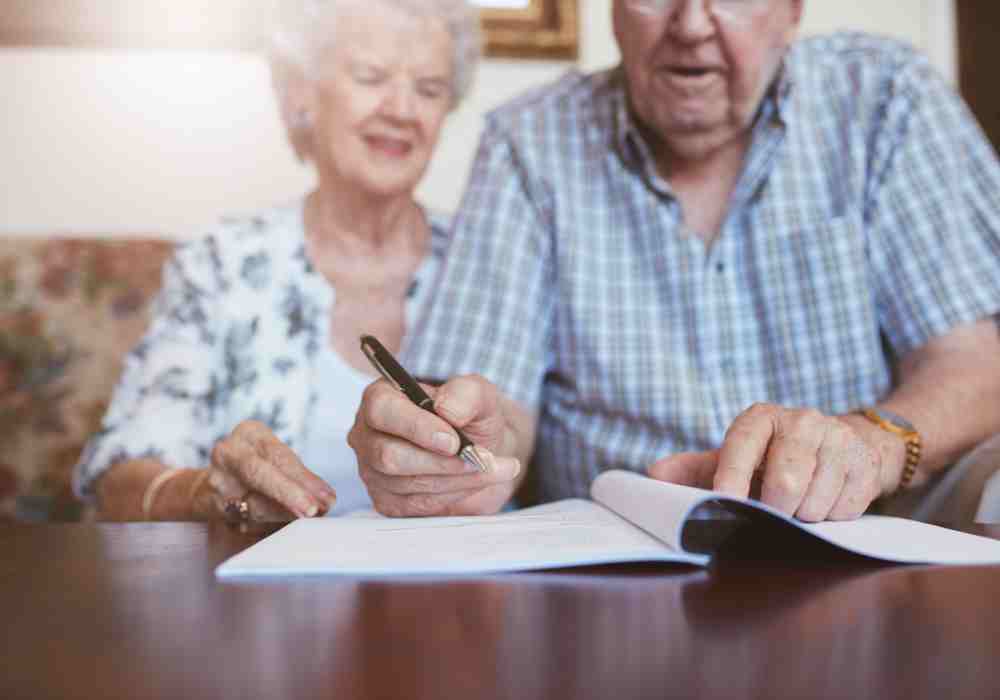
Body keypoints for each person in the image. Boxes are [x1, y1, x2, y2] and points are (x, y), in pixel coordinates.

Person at [348, 0, 1000, 526]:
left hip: (859, 564)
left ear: (794, 9)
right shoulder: (528, 142)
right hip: (611, 593)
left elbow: (974, 362)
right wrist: (455, 450)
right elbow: (497, 417)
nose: (691, 24)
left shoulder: (885, 98)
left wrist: (872, 445)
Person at [73, 0, 481, 521]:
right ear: (302, 93)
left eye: (429, 88)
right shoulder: (223, 261)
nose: (402, 109)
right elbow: (122, 476)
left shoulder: (488, 257)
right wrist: (204, 492)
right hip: (268, 595)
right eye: (371, 76)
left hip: (449, 593)